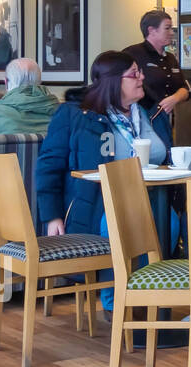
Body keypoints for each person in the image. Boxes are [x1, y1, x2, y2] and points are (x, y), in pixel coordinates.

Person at [37, 52, 172, 239]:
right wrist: (52, 216)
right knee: (139, 231)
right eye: (134, 74)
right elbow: (48, 167)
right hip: (100, 208)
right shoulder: (75, 115)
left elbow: (167, 157)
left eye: (140, 72)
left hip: (156, 201)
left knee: (180, 224)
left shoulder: (151, 113)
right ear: (114, 80)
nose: (142, 77)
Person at [123, 10, 191, 122]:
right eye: (167, 28)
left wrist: (175, 98)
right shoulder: (132, 53)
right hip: (142, 119)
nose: (172, 33)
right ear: (151, 30)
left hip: (167, 121)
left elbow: (184, 89)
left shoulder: (170, 58)